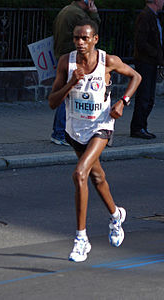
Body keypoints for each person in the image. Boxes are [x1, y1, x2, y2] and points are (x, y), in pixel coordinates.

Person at [48, 19, 141, 262]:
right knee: (97, 177)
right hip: (75, 129)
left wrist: (123, 102)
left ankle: (81, 239)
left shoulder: (107, 61)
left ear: (95, 39)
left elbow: (136, 77)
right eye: (76, 38)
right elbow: (52, 102)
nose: (80, 42)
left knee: (80, 174)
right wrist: (71, 83)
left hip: (101, 126)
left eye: (85, 38)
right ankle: (116, 214)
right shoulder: (66, 63)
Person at [51, 0, 101, 146]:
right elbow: (94, 29)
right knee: (68, 96)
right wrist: (94, 13)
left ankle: (60, 132)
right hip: (72, 57)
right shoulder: (79, 15)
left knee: (64, 93)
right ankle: (60, 132)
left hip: (62, 55)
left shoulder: (66, 10)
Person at [130, 0, 164, 139]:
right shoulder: (146, 16)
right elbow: (141, 41)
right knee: (144, 96)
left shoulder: (153, 16)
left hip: (150, 61)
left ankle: (141, 126)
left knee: (148, 97)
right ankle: (138, 127)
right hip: (145, 62)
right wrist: (156, 54)